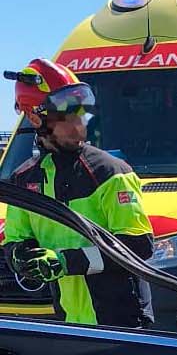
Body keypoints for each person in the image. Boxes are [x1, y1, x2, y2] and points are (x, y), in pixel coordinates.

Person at [2, 58, 154, 328]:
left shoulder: (110, 171)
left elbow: (138, 246)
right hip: (68, 321)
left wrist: (65, 262)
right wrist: (20, 257)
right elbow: (15, 239)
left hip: (122, 321)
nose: (79, 126)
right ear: (35, 118)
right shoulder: (24, 180)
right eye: (66, 117)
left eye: (81, 115)